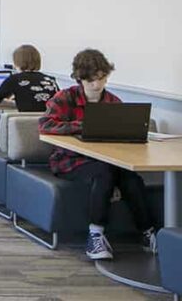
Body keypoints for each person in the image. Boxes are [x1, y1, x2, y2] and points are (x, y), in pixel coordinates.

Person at [39, 48, 159, 261]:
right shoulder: (64, 98)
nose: (97, 85)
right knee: (103, 173)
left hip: (107, 159)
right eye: (91, 81)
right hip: (70, 160)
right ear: (80, 79)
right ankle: (95, 235)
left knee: (130, 178)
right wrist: (82, 126)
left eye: (101, 79)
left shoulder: (113, 101)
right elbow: (46, 125)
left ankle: (148, 232)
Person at [0, 44, 59, 112]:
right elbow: (60, 103)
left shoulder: (14, 79)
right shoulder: (51, 80)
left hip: (25, 123)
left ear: (17, 62)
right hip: (50, 123)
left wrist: (14, 103)